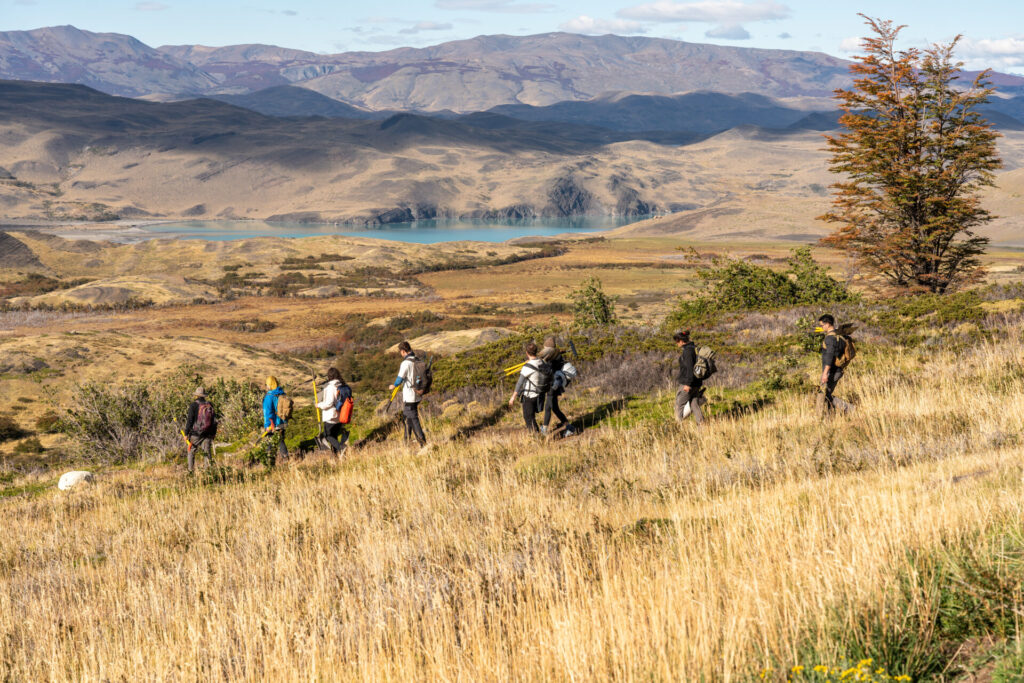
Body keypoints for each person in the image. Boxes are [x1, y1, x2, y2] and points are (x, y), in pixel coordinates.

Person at [391, 341, 427, 450]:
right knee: (408, 417)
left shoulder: (406, 363)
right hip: (418, 394)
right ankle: (406, 440)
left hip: (410, 395)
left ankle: (423, 442)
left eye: (400, 352)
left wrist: (393, 386)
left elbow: (399, 379)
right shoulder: (416, 359)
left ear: (403, 351)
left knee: (413, 418)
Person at [509, 341, 548, 433]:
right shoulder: (542, 362)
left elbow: (519, 383)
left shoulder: (527, 367)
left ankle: (537, 438)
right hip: (540, 394)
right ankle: (538, 434)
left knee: (528, 417)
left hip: (530, 396)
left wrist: (513, 397)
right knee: (532, 417)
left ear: (527, 353)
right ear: (536, 352)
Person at [539, 336, 573, 436]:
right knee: (555, 408)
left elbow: (547, 370)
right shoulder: (556, 355)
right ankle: (569, 428)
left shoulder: (550, 358)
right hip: (555, 383)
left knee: (548, 406)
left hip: (552, 384)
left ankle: (544, 429)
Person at [817, 314, 851, 415]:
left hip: (831, 371)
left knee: (822, 395)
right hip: (838, 370)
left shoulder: (829, 339)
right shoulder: (840, 336)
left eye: (822, 325)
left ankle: (850, 409)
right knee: (826, 395)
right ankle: (829, 417)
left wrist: (825, 373)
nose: (821, 328)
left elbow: (830, 356)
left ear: (827, 324)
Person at [317, 367, 351, 456]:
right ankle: (336, 456)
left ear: (329, 376)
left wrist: (319, 405)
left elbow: (328, 403)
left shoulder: (330, 387)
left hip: (331, 415)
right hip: (341, 415)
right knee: (334, 436)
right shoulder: (343, 385)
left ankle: (341, 448)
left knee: (327, 435)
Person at [674, 330, 704, 425]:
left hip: (689, 383)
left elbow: (690, 368)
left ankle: (678, 427)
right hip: (697, 383)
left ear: (681, 341)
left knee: (679, 404)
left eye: (677, 341)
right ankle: (702, 425)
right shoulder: (694, 348)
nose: (677, 343)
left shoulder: (687, 351)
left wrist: (687, 384)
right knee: (694, 404)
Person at [183, 386, 216, 473]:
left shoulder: (194, 405)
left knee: (191, 451)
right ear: (204, 395)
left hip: (196, 434)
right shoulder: (210, 405)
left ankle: (190, 472)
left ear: (196, 395)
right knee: (207, 453)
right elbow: (214, 420)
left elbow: (190, 420)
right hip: (208, 433)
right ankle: (208, 473)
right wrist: (213, 433)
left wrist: (186, 434)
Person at [262, 376, 289, 463]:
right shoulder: (282, 393)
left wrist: (267, 425)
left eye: (266, 384)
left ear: (269, 385)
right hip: (283, 421)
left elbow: (268, 413)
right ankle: (285, 458)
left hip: (273, 424)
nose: (266, 386)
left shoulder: (269, 397)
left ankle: (269, 462)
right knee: (280, 440)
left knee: (269, 442)